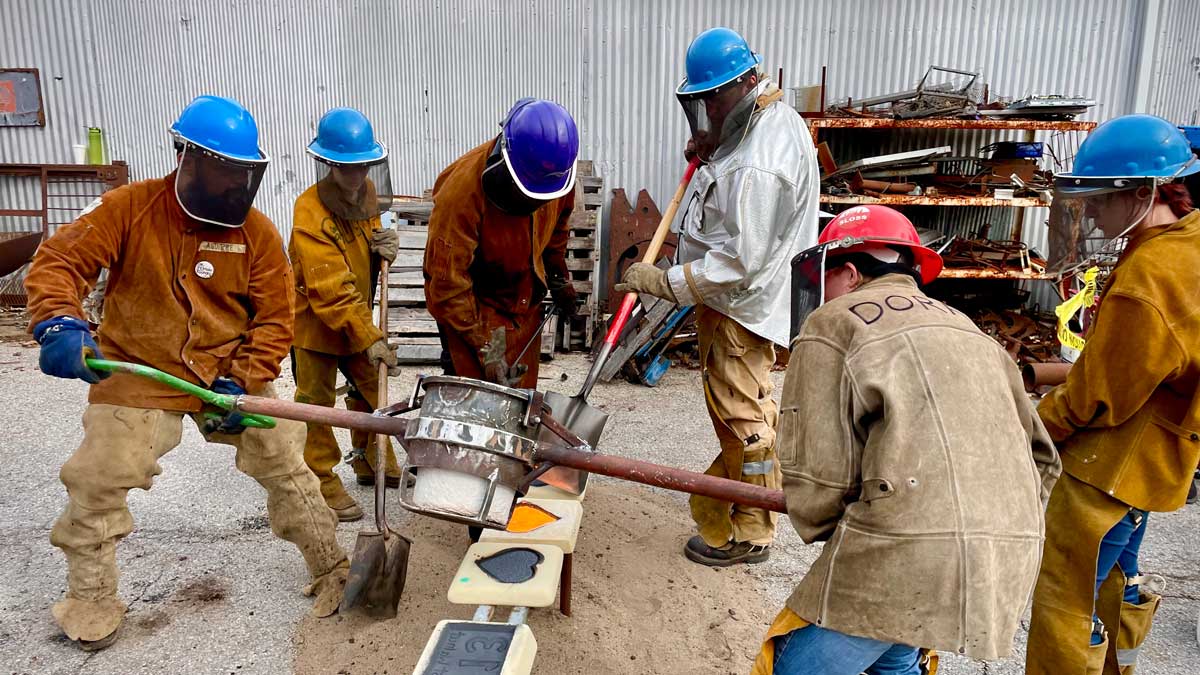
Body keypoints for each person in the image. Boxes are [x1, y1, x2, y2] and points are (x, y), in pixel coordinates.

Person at [24, 95, 348, 651]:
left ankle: (334, 570)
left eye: (242, 176)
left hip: (227, 372)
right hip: (141, 370)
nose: (234, 188)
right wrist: (58, 322)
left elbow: (276, 318)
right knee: (99, 477)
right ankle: (92, 598)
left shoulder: (257, 234)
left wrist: (245, 378)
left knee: (286, 464)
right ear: (188, 157)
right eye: (224, 172)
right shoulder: (128, 208)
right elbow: (59, 261)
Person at [747, 205, 1060, 674]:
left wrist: (829, 525)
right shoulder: (968, 329)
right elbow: (1043, 457)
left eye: (826, 279)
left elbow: (817, 470)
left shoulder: (833, 323)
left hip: (902, 543)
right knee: (894, 656)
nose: (821, 294)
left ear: (849, 273)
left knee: (799, 668)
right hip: (1008, 545)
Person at [613, 26, 819, 566]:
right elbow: (733, 179)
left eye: (714, 100)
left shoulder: (760, 164)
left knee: (742, 423)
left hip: (739, 307)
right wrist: (712, 145)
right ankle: (742, 507)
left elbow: (739, 262)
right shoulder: (766, 120)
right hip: (748, 301)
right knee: (750, 409)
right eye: (700, 102)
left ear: (746, 82)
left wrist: (664, 282)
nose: (707, 109)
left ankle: (751, 528)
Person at [1026, 114, 1200, 675]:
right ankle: (1115, 666)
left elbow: (1097, 397)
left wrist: (1032, 427)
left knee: (1066, 603)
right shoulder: (1187, 241)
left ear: (1146, 192)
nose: (1094, 213)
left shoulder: (1149, 279)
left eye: (1102, 200)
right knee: (1115, 578)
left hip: (1111, 463)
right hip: (1156, 461)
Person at [289, 107, 402, 521]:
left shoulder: (369, 196)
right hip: (314, 324)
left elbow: (368, 241)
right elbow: (330, 287)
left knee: (372, 390)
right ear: (329, 164)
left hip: (355, 315)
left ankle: (369, 458)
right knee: (315, 404)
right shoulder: (309, 212)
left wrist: (382, 246)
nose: (356, 177)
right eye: (346, 168)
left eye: (363, 166)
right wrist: (369, 336)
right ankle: (321, 478)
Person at [424, 98, 579, 388]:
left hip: (523, 306)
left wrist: (558, 279)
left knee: (518, 405)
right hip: (473, 310)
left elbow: (557, 230)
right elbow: (448, 284)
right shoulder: (461, 194)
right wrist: (487, 348)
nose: (536, 202)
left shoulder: (555, 175)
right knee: (474, 408)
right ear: (507, 160)